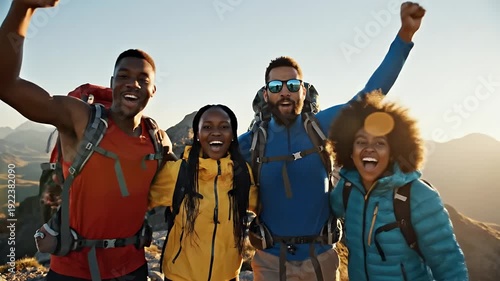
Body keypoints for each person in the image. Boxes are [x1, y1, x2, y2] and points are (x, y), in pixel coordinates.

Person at [237, 2, 426, 280]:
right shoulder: (253, 142)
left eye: (292, 85)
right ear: (266, 95)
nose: (285, 92)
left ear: (304, 90)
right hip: (269, 263)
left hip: (321, 260)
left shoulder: (320, 127)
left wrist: (405, 36)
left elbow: (372, 93)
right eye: (276, 87)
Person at [0, 1, 176, 281]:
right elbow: (7, 85)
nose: (133, 83)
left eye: (143, 79)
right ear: (112, 82)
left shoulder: (157, 139)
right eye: (124, 76)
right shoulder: (80, 119)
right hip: (72, 271)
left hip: (132, 269)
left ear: (153, 90)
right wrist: (23, 8)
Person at [328, 91, 469, 281]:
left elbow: (448, 264)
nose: (369, 148)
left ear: (394, 151)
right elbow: (322, 211)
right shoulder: (346, 190)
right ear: (350, 151)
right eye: (361, 142)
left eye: (380, 142)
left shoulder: (419, 196)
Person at [148, 104, 258, 281]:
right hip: (179, 277)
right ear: (197, 135)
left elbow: (263, 206)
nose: (216, 132)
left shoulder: (243, 174)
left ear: (232, 135)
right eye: (207, 127)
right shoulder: (176, 172)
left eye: (224, 127)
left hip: (227, 277)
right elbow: (137, 201)